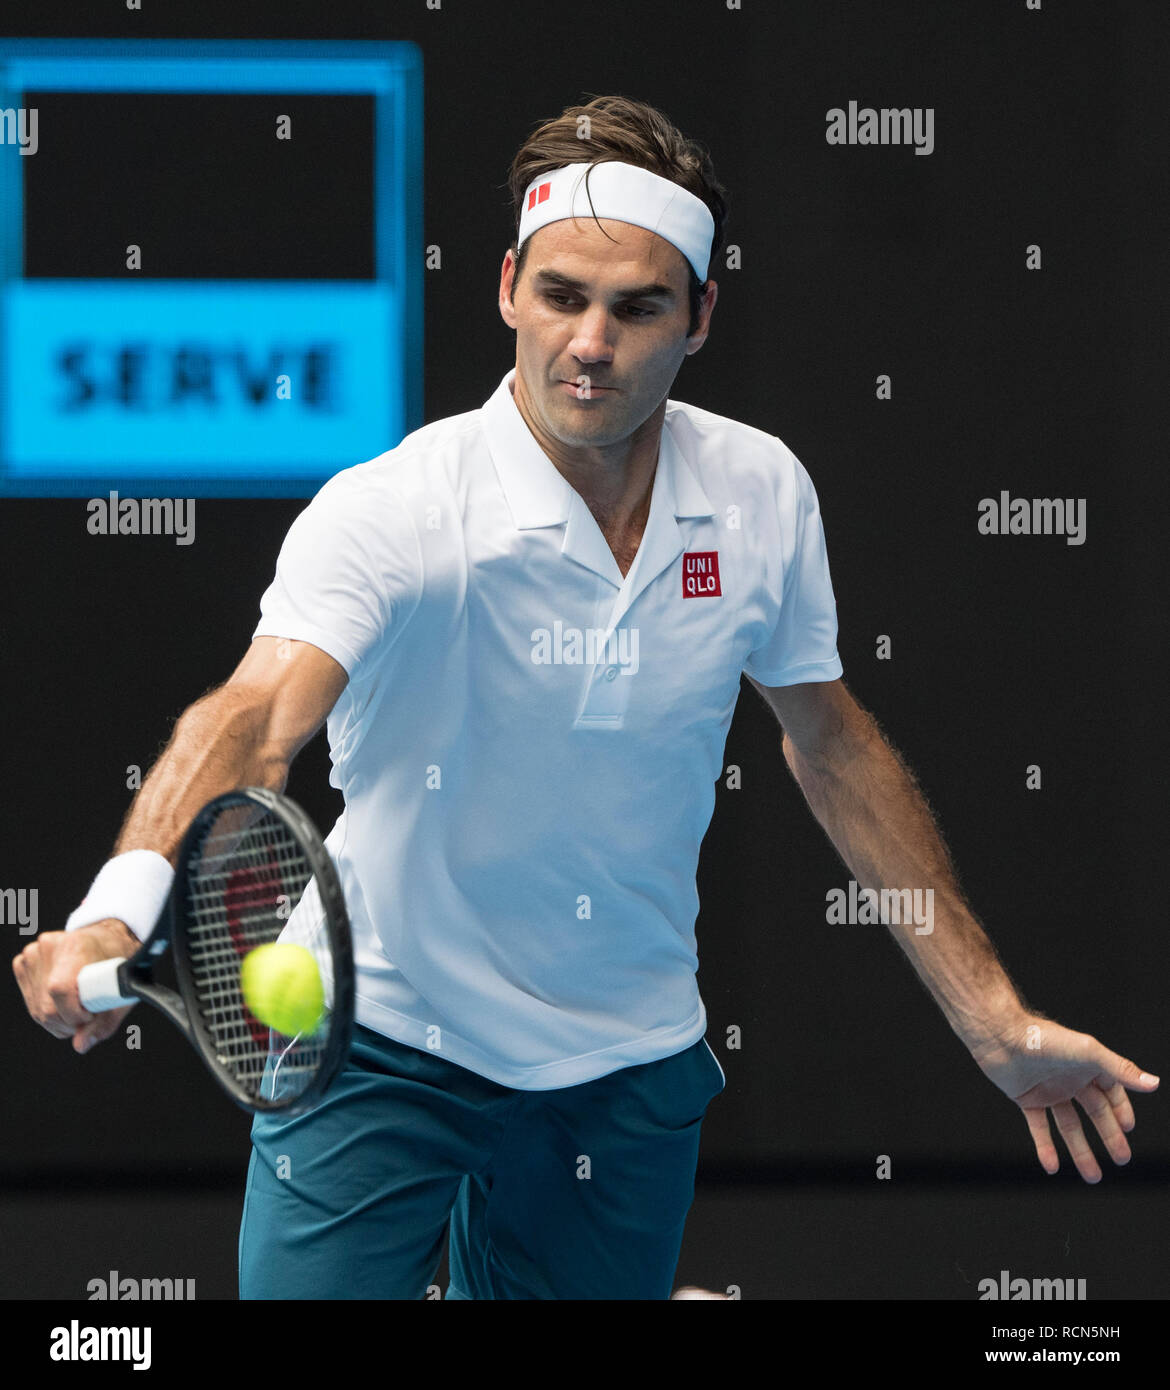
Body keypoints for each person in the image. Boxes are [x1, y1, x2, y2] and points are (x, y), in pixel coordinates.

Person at [14, 95, 1158, 1300]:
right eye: (561, 295)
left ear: (701, 317)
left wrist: (991, 1017)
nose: (590, 343)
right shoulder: (397, 509)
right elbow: (254, 719)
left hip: (623, 1061)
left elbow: (831, 743)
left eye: (638, 306)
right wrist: (114, 907)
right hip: (382, 1040)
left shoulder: (761, 494)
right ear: (508, 285)